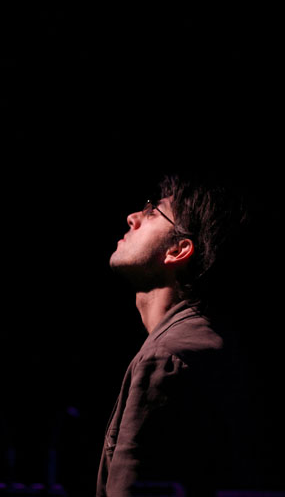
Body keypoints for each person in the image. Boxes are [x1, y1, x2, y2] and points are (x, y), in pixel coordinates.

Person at [96, 173, 253, 497]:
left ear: (178, 250)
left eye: (153, 212)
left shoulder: (166, 359)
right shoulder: (199, 344)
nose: (133, 217)